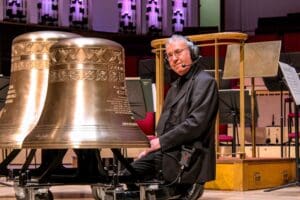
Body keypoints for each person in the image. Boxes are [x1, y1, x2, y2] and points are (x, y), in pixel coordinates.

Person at [127, 34, 219, 200]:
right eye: (169, 55)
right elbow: (165, 125)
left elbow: (195, 125)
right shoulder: (175, 86)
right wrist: (150, 149)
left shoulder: (205, 81)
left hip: (188, 156)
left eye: (178, 52)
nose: (174, 59)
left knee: (133, 181)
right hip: (169, 151)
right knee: (126, 175)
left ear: (192, 52)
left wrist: (160, 143)